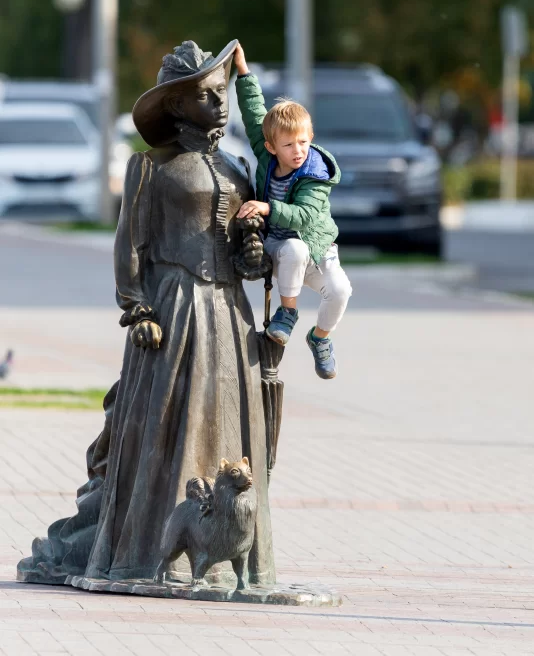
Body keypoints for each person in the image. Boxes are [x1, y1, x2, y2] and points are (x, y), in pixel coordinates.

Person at [17, 40, 275, 590]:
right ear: (178, 106)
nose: (220, 104)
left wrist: (251, 257)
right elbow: (129, 245)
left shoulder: (237, 167)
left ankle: (226, 549)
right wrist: (137, 309)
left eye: (221, 92)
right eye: (206, 96)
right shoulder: (152, 168)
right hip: (175, 308)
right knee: (165, 425)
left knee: (227, 420)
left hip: (229, 312)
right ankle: (151, 550)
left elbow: (246, 253)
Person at [234, 44, 352, 380]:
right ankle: (287, 313)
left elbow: (303, 217)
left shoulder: (316, 175)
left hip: (317, 249)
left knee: (340, 291)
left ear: (310, 137)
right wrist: (243, 71)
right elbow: (254, 112)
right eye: (288, 145)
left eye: (302, 142)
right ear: (271, 147)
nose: (297, 150)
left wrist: (268, 206)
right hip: (279, 245)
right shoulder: (267, 154)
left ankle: (320, 338)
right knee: (293, 249)